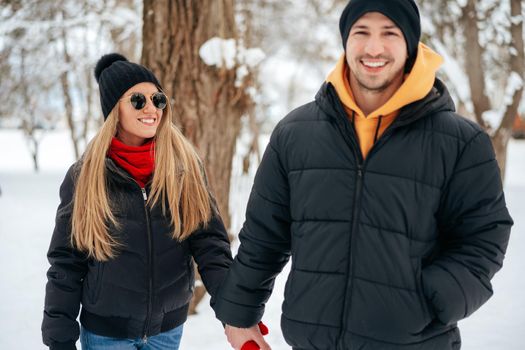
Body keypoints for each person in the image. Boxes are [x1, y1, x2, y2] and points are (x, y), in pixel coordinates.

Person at [212, 0, 513, 349]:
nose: (373, 47)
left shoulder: (462, 142)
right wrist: (239, 313)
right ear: (345, 41)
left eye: (390, 33)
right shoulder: (295, 133)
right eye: (361, 32)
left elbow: (484, 238)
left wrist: (432, 300)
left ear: (411, 44)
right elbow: (265, 234)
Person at [41, 53, 233, 350]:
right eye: (137, 100)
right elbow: (67, 261)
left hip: (167, 332)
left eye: (157, 99)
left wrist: (234, 311)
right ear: (114, 110)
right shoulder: (86, 176)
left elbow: (210, 244)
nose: (152, 108)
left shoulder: (184, 168)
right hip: (106, 334)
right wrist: (59, 338)